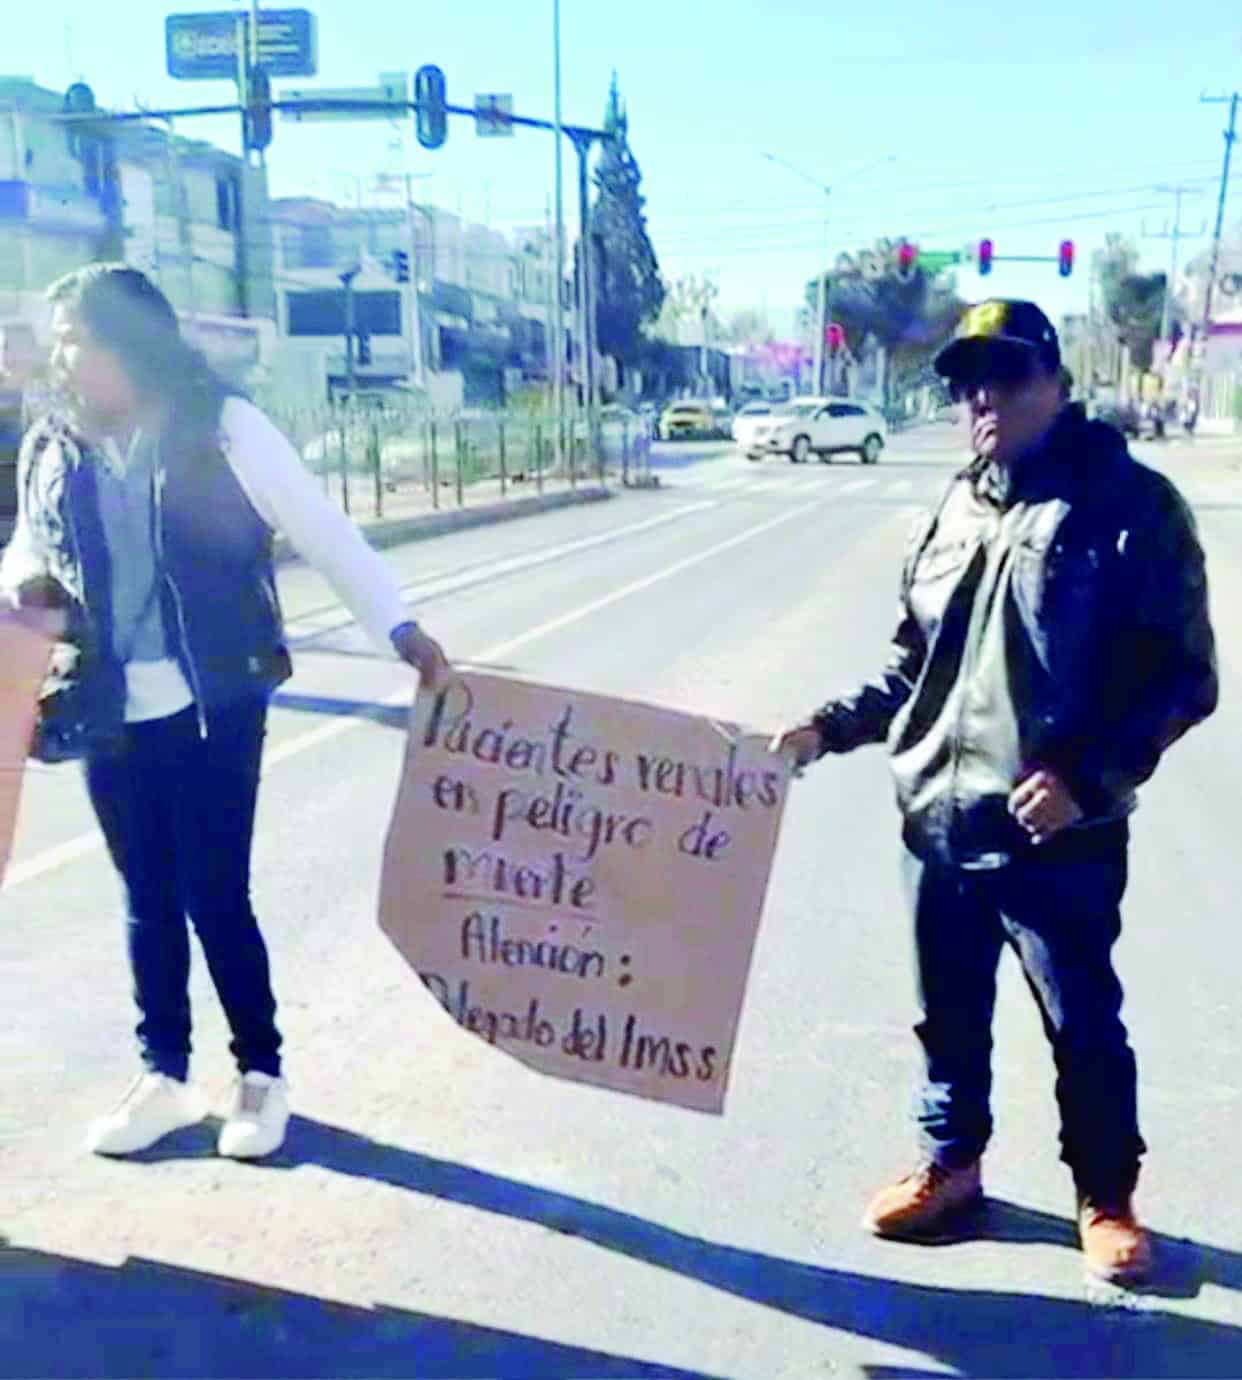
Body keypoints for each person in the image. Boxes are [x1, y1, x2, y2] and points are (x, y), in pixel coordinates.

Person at [775, 299, 1217, 1284]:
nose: (985, 397)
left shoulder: (1128, 507)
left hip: (1060, 837)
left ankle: (1106, 1197)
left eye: (1008, 376)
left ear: (1055, 384)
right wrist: (824, 728)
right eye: (970, 379)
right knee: (947, 1013)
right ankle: (952, 1164)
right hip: (937, 820)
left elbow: (1185, 677)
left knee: (1083, 1023)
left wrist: (1086, 778)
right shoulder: (959, 504)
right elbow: (913, 665)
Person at [1, 265, 449, 1161]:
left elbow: (321, 527)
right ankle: (163, 1074)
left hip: (216, 694)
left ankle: (260, 1073)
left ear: (131, 340)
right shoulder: (53, 444)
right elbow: (29, 545)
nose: (63, 356)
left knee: (213, 891)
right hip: (107, 699)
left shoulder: (224, 427)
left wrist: (399, 630)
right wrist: (23, 590)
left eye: (78, 338)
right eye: (58, 340)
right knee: (145, 896)